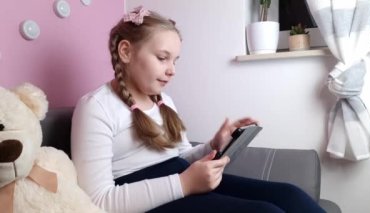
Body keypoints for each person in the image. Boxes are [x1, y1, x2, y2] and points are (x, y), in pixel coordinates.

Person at [71, 6, 326, 213]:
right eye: (162, 58)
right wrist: (183, 183)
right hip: (150, 199)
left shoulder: (164, 102)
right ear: (125, 51)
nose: (172, 70)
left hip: (181, 182)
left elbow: (180, 157)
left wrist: (213, 145)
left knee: (289, 195)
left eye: (175, 60)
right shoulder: (95, 108)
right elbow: (97, 200)